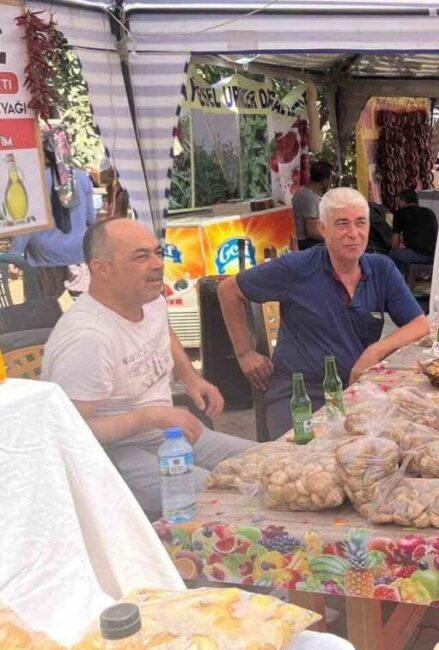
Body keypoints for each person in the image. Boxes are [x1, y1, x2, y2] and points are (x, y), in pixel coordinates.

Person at [42, 218, 255, 518]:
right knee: (224, 500)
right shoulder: (88, 339)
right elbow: (67, 431)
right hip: (111, 454)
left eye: (157, 253)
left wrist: (190, 377)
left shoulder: (149, 298)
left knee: (268, 463)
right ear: (101, 268)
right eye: (141, 257)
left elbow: (162, 332)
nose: (157, 264)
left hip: (167, 436)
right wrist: (150, 416)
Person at [218, 188, 430, 436]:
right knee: (303, 464)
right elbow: (228, 290)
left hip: (355, 390)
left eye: (360, 223)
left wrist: (376, 350)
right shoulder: (297, 267)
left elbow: (419, 324)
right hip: (301, 393)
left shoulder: (381, 268)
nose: (353, 234)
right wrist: (245, 353)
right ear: (322, 229)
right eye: (342, 224)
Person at [9, 167, 97, 299]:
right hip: (78, 253)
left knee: (42, 311)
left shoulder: (33, 179)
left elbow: (28, 223)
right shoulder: (82, 176)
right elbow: (91, 219)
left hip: (43, 257)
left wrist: (14, 254)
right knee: (85, 309)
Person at [388, 189, 438, 276]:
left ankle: (400, 283)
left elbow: (394, 245)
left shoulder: (400, 213)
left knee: (393, 253)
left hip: (418, 255)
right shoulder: (429, 212)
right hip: (435, 255)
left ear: (402, 201)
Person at [291, 161, 334, 250]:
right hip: (305, 243)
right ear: (325, 181)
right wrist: (332, 239)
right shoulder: (309, 198)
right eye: (330, 180)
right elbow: (311, 231)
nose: (330, 183)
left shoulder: (303, 191)